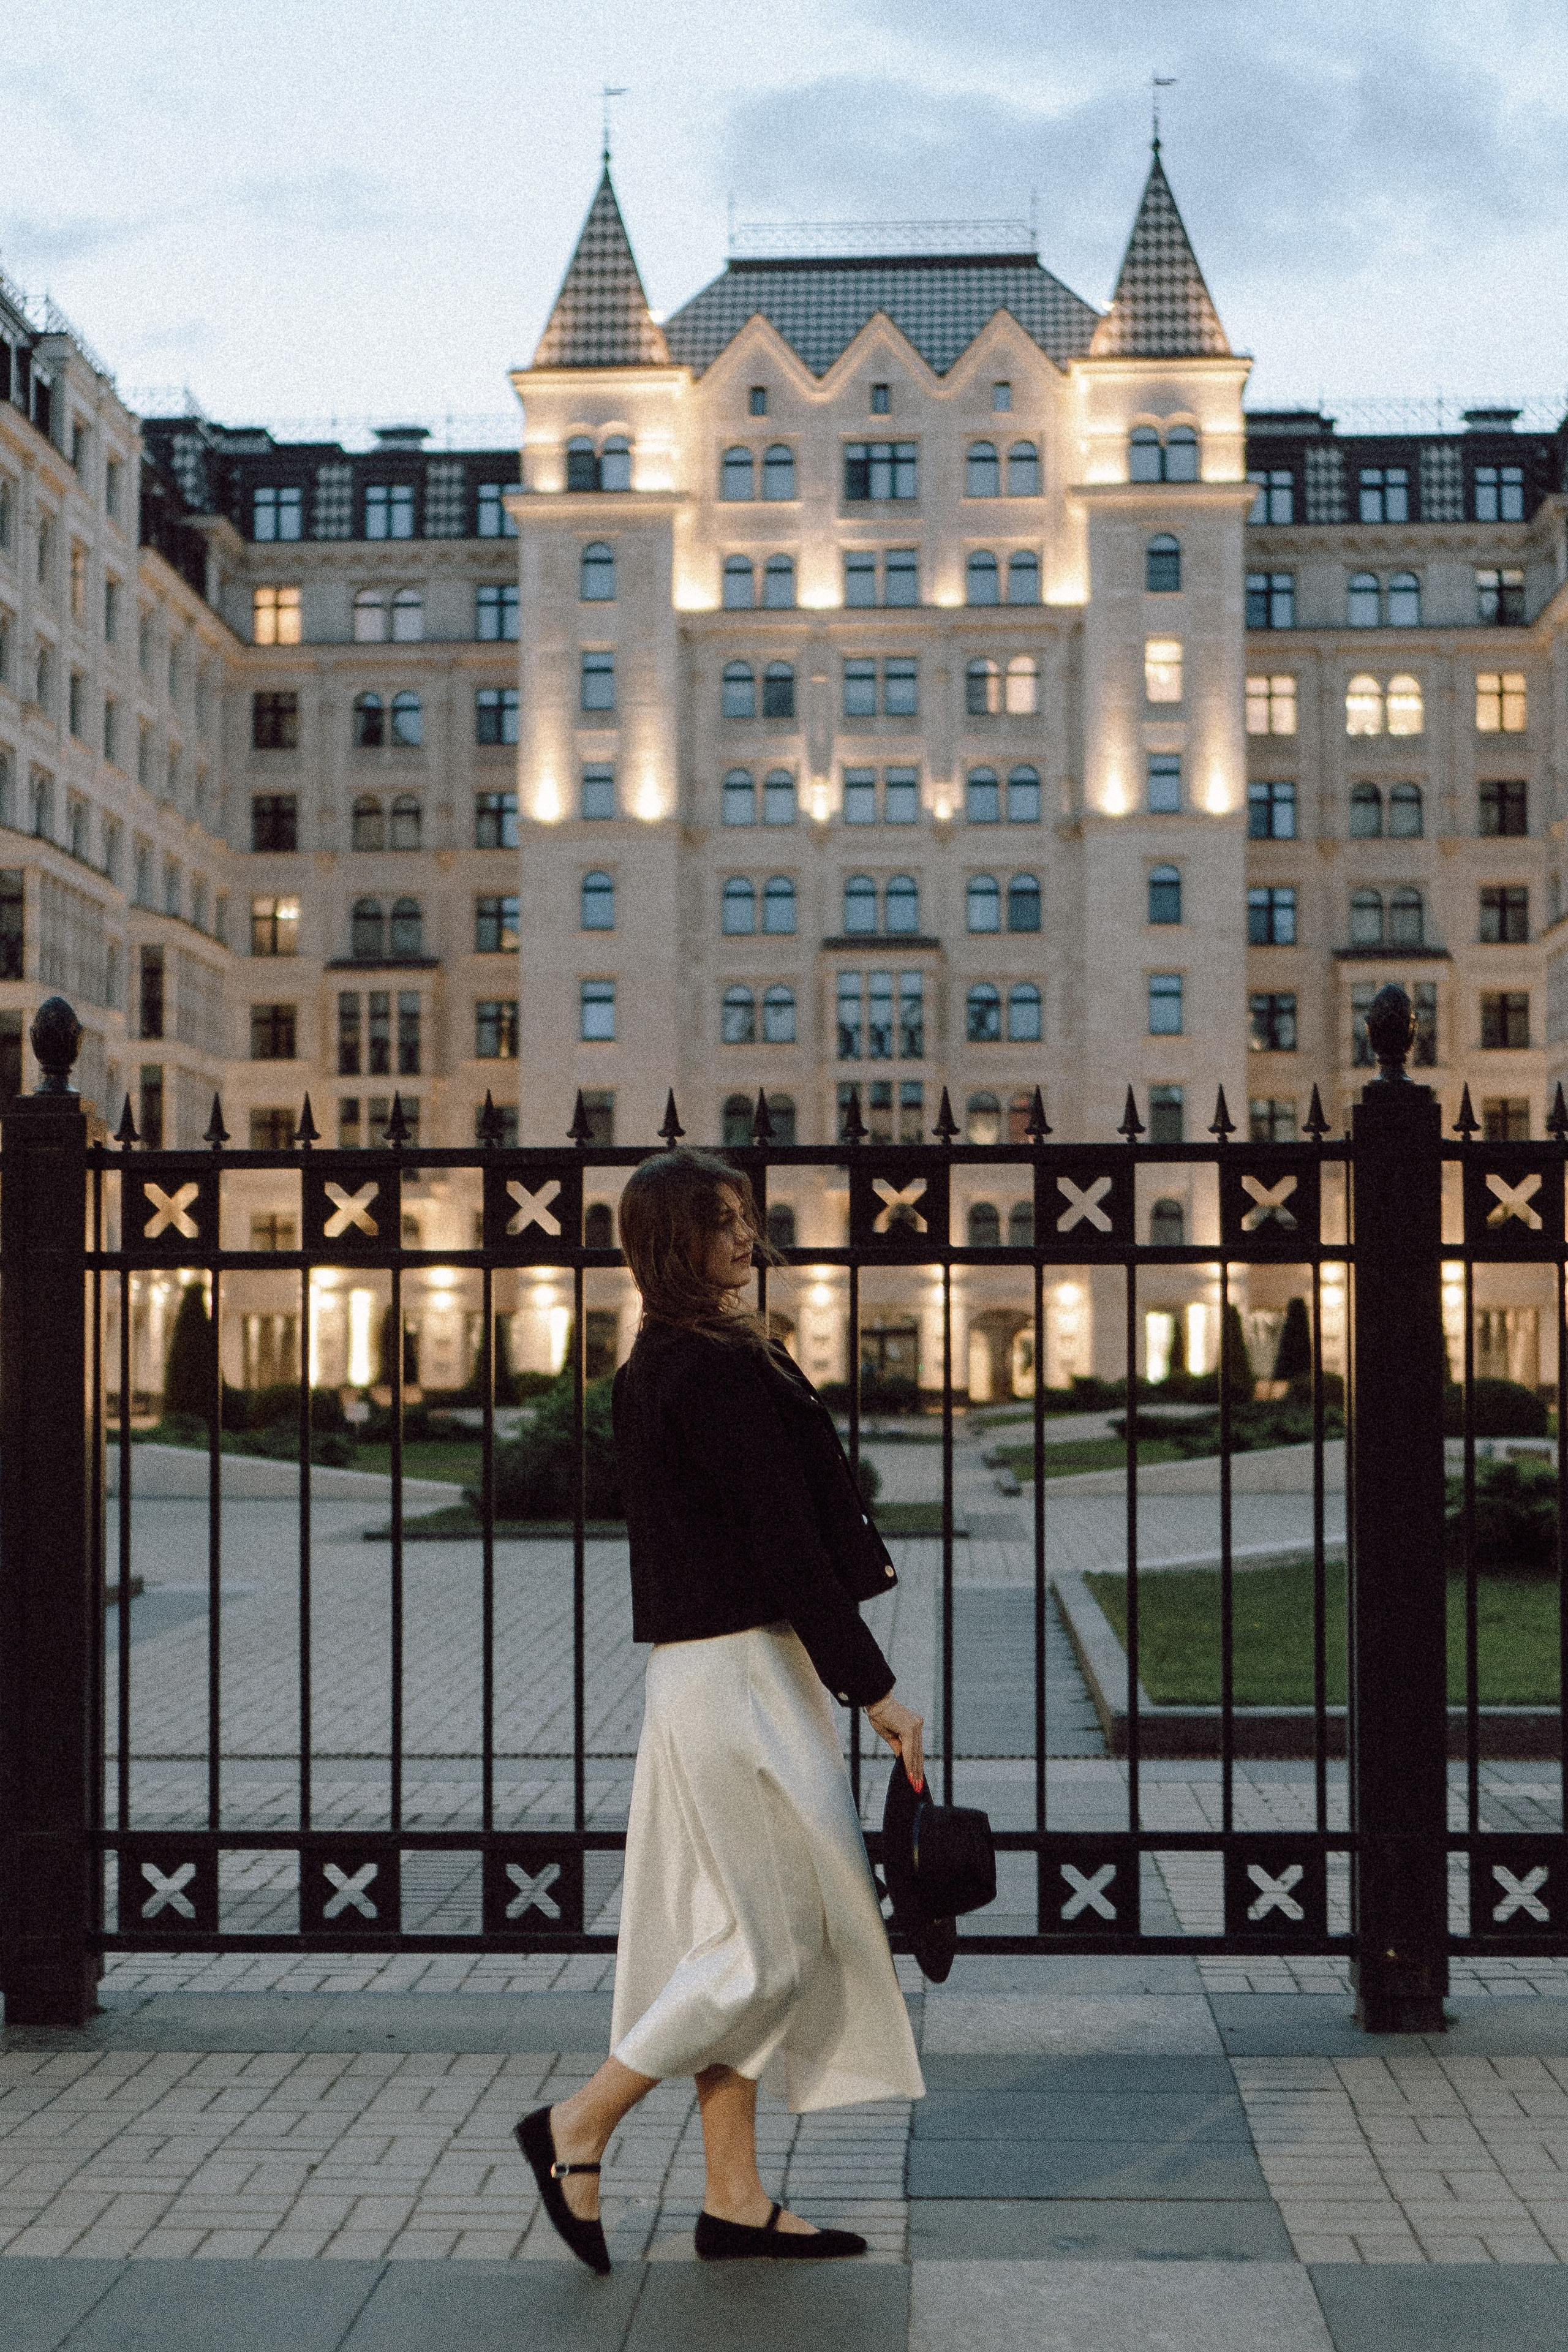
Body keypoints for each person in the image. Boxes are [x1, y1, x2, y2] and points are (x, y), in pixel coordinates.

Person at [517, 1147, 925, 2269]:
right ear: (672, 1244)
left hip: (726, 1675)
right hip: (739, 1675)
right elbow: (785, 1545)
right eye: (724, 1224)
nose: (748, 1238)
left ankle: (734, 2202)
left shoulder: (668, 1361)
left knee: (737, 1933)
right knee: (768, 1948)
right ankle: (578, 2124)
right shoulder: (712, 1370)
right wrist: (877, 1689)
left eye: (747, 1218)